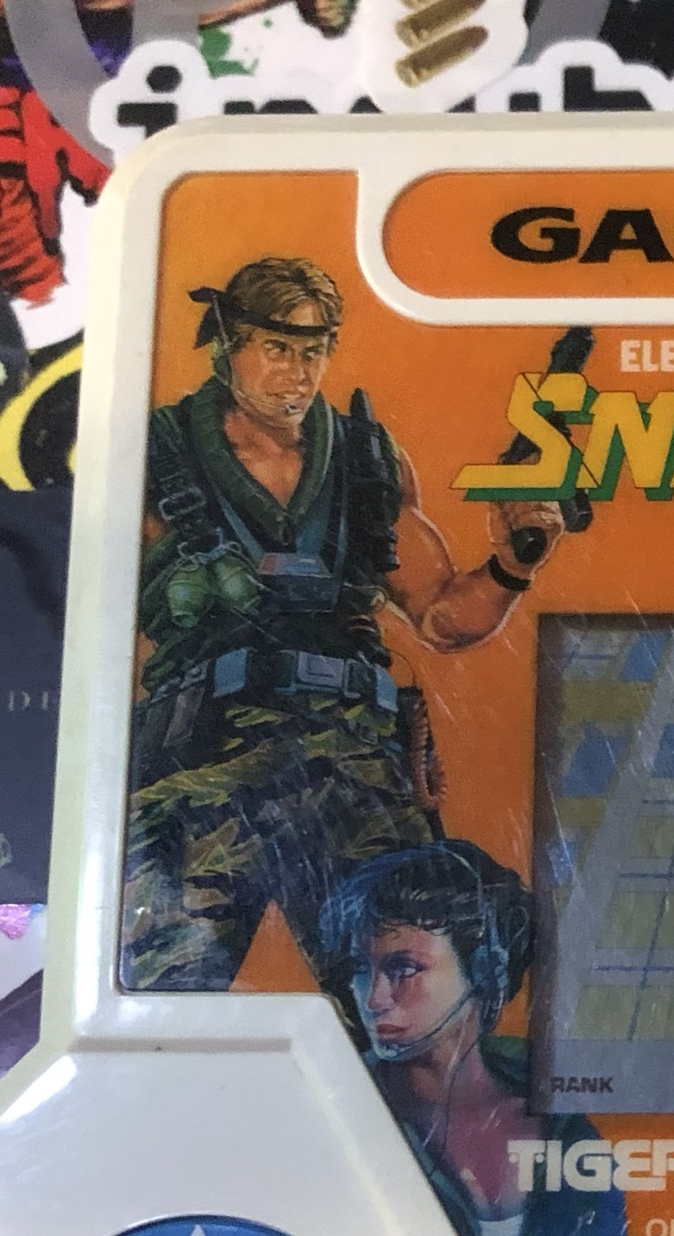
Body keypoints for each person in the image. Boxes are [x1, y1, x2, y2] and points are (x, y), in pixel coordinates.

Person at [122, 255, 561, 992]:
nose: (297, 373)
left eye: (314, 351)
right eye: (277, 348)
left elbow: (442, 615)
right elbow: (88, 617)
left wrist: (515, 564)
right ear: (229, 343)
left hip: (350, 767)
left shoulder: (366, 460)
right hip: (200, 765)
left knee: (409, 1008)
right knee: (155, 998)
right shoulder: (152, 452)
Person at [319, 840, 634, 1236]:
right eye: (359, 970)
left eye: (403, 969)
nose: (373, 998)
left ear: (484, 968)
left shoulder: (568, 1116)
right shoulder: (335, 1115)